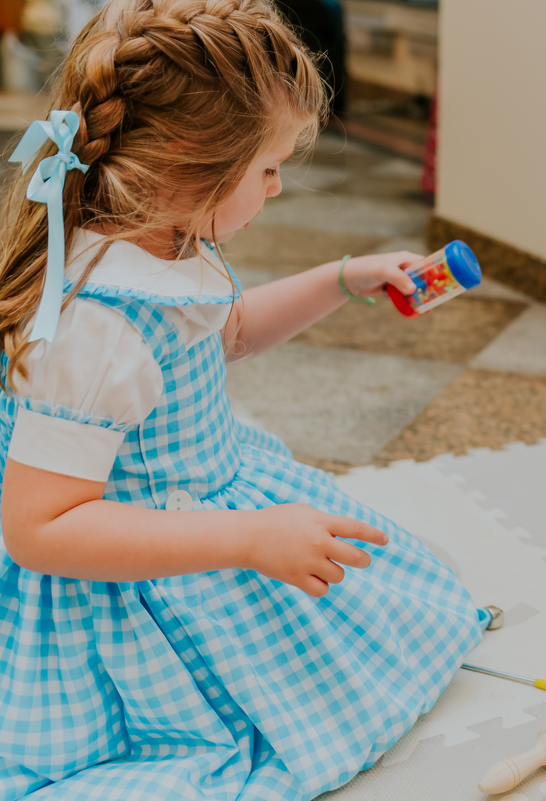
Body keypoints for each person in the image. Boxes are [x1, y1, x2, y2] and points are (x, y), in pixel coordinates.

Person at [0, 1, 484, 797]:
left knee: (397, 610)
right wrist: (247, 538)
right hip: (126, 575)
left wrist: (342, 278)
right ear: (191, 165)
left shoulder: (167, 239)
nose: (279, 186)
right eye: (268, 168)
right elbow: (39, 526)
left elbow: (231, 331)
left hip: (209, 508)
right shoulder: (96, 329)